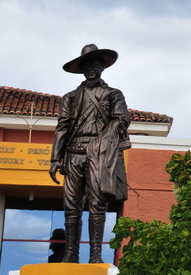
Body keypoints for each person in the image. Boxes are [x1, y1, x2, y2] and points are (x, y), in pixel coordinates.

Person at [50, 44, 131, 263]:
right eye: (87, 65)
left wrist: (103, 140)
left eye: (95, 64)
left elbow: (122, 119)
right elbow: (62, 127)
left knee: (97, 204)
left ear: (102, 66)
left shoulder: (113, 94)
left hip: (99, 155)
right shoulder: (70, 98)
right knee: (71, 206)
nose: (91, 69)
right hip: (73, 153)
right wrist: (55, 158)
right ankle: (70, 254)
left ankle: (96, 254)